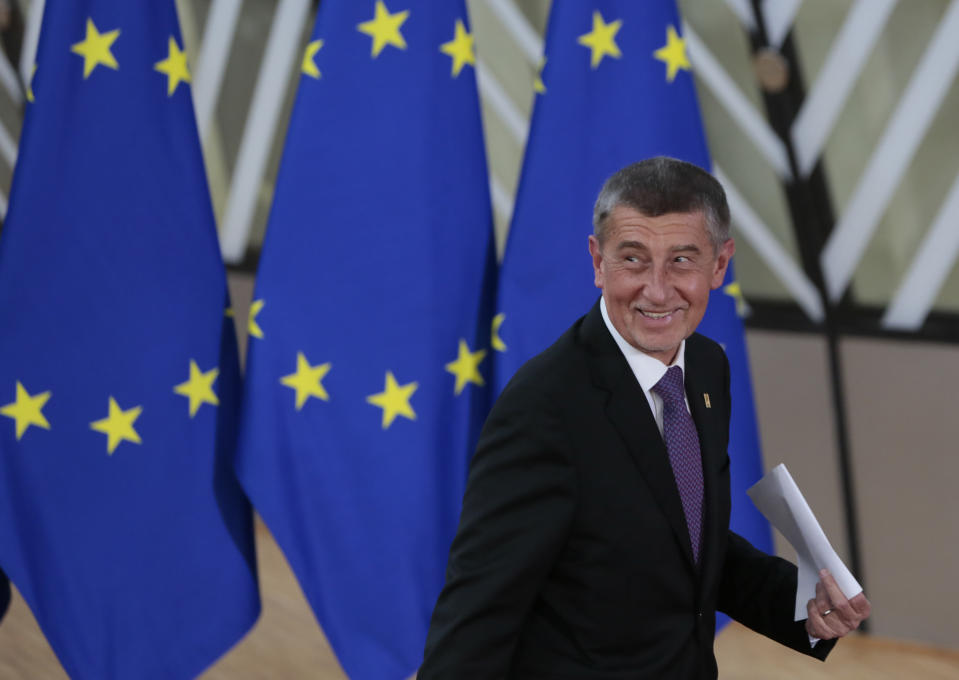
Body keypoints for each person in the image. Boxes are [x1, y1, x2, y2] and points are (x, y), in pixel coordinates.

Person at [419, 157, 870, 679]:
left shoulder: (705, 366)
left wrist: (804, 607)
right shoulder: (543, 409)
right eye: (633, 259)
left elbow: (689, 542)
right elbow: (476, 617)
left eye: (682, 260)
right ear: (597, 260)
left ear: (720, 266)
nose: (657, 290)